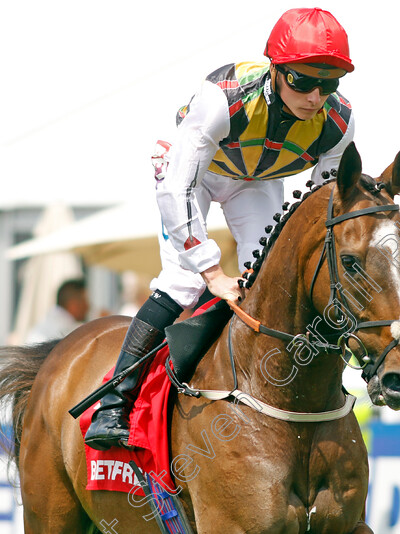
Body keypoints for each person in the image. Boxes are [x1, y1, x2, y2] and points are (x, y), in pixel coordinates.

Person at [85, 7, 356, 450]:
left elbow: (323, 209)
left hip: (259, 181)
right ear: (275, 69)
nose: (314, 97)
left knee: (270, 280)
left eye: (328, 84)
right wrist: (212, 272)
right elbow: (177, 186)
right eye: (303, 81)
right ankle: (115, 402)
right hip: (195, 176)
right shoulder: (223, 97)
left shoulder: (339, 122)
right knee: (184, 282)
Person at [26, 278, 90, 344]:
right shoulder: (66, 329)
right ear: (73, 305)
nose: (88, 306)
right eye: (85, 301)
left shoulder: (47, 322)